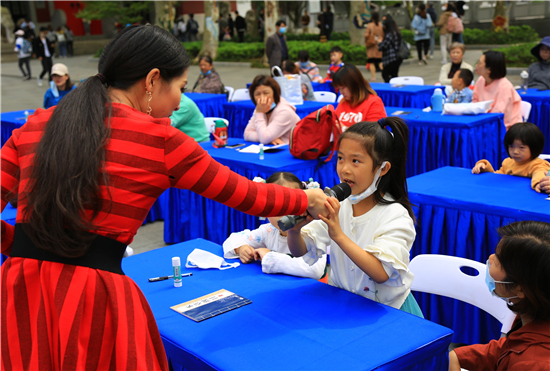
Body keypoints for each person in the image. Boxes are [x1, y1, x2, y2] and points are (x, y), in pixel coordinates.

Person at [0, 25, 330, 371]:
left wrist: (21, 245)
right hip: (92, 297)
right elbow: (245, 194)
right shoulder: (160, 140)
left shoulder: (36, 123)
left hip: (21, 286)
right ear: (152, 80)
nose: (178, 102)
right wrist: (305, 200)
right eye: (180, 88)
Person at [286, 118, 424, 317]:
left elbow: (381, 273)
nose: (344, 169)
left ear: (382, 169)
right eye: (340, 158)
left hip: (387, 312)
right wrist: (294, 230)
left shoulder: (396, 215)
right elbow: (299, 251)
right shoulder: (339, 204)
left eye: (355, 161)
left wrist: (338, 235)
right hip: (344, 305)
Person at [449, 221, 550, 371]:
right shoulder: (535, 313)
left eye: (498, 261)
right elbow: (511, 347)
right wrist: (459, 356)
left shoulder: (531, 364)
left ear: (520, 289)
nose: (491, 258)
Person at [223, 172, 327, 280]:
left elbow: (315, 270)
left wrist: (269, 257)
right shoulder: (268, 230)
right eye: (276, 206)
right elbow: (233, 239)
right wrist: (241, 248)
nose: (285, 212)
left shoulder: (312, 230)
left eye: (291, 204)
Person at [472, 122, 550, 192]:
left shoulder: (538, 164)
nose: (515, 151)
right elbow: (499, 176)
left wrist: (538, 184)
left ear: (534, 147)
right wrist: (484, 168)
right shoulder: (508, 162)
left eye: (521, 147)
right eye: (511, 146)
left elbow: (540, 174)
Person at [473, 50, 522, 130]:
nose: (476, 65)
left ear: (489, 69)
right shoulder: (481, 80)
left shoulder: (505, 86)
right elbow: (474, 102)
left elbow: (498, 115)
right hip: (484, 123)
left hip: (504, 129)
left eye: (479, 63)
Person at [244, 75, 300, 145]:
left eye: (266, 93)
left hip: (288, 151)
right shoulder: (260, 108)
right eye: (257, 94)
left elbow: (264, 139)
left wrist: (260, 114)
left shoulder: (284, 111)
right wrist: (268, 139)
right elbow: (247, 133)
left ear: (275, 93)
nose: (262, 98)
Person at [333, 64, 386, 130]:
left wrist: (344, 129)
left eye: (343, 88)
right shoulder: (343, 101)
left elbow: (374, 134)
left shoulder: (374, 102)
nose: (341, 92)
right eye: (339, 89)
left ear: (354, 85)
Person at [377, 16, 403, 83]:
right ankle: (396, 89)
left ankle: (389, 87)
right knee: (394, 75)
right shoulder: (397, 32)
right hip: (398, 57)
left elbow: (383, 46)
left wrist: (379, 42)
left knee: (385, 74)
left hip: (391, 58)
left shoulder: (389, 34)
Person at [364, 12, 384, 82]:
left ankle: (373, 76)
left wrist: (367, 40)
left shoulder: (370, 25)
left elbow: (366, 35)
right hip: (379, 44)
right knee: (380, 61)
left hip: (372, 46)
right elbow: (383, 34)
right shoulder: (381, 25)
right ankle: (383, 73)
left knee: (372, 62)